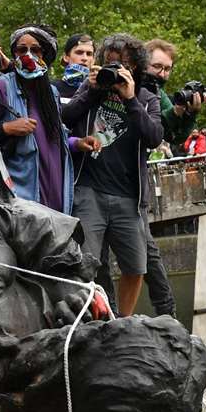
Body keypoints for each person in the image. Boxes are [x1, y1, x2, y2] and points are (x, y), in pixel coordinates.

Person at [60, 33, 165, 317]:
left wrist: (130, 99)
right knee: (86, 264)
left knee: (135, 265)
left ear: (136, 67)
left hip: (129, 196)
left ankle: (124, 321)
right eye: (111, 63)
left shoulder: (146, 98)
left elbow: (155, 137)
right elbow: (65, 118)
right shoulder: (91, 87)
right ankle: (95, 320)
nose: (117, 70)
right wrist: (92, 90)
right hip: (89, 189)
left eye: (125, 65)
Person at [0, 24, 93, 213]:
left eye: (35, 50)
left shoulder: (51, 93)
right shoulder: (0, 88)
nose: (28, 55)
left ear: (46, 56)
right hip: (18, 206)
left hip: (56, 202)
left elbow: (49, 139)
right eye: (22, 50)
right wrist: (5, 128)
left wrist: (76, 143)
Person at [56, 32, 95, 100]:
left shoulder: (98, 91)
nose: (84, 58)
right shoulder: (51, 88)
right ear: (66, 57)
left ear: (93, 60)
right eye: (79, 53)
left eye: (89, 54)